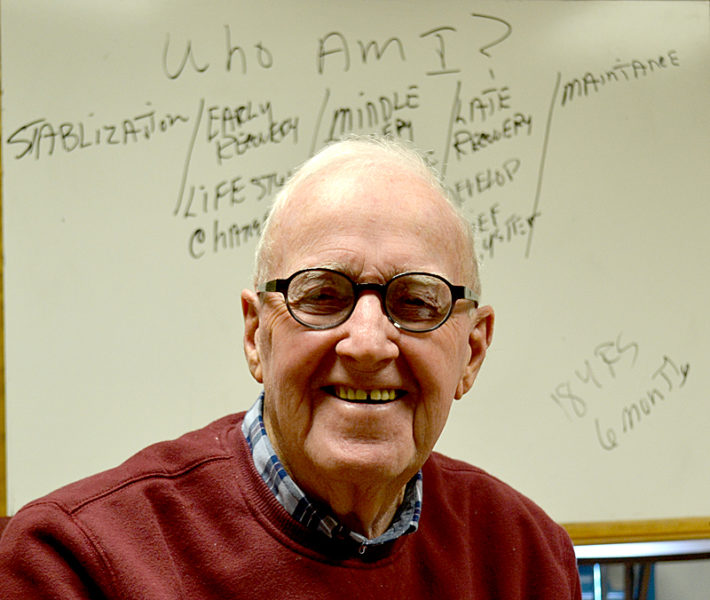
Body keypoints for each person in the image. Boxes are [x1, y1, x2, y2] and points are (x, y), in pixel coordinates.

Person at [0, 136, 581, 598]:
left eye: (416, 303)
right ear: (256, 335)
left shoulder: (527, 557)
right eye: (323, 296)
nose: (368, 344)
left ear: (472, 352)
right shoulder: (76, 562)